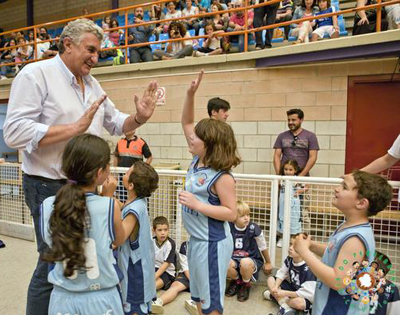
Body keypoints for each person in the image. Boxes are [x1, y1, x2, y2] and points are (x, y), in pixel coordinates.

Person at [3, 18, 158, 315]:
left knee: (86, 254)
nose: (95, 58)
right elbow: (14, 133)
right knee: (52, 260)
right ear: (68, 44)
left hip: (87, 186)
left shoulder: (92, 83)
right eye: (90, 50)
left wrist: (139, 118)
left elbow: (115, 123)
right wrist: (73, 129)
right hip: (47, 185)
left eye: (98, 52)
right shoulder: (36, 75)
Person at [40, 134, 126, 315]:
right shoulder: (109, 206)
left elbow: (51, 242)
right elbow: (119, 239)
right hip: (101, 299)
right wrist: (108, 197)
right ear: (99, 172)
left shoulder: (49, 205)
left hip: (61, 299)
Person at [179, 70, 241, 315]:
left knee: (212, 303)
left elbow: (231, 213)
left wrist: (198, 205)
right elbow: (185, 122)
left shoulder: (222, 177)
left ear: (210, 144)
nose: (191, 138)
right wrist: (190, 94)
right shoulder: (197, 159)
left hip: (212, 243)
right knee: (199, 299)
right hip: (196, 241)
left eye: (197, 137)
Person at [293, 170, 393, 315]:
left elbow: (337, 280)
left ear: (361, 203)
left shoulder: (355, 239)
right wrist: (312, 246)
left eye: (344, 187)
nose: (336, 188)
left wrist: (304, 252)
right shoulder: (348, 225)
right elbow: (336, 252)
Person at [116, 161, 161, 315]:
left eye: (127, 173)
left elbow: (120, 238)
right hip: (140, 263)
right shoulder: (137, 201)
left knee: (133, 305)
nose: (124, 174)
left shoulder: (133, 210)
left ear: (131, 186)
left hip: (134, 269)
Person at [225, 201, 273, 302]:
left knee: (245, 262)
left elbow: (262, 246)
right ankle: (237, 281)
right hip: (234, 259)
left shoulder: (253, 228)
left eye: (248, 215)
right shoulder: (228, 227)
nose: (246, 218)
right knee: (224, 262)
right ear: (234, 218)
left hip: (251, 259)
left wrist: (268, 262)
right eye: (242, 216)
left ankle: (245, 284)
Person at [263, 234, 316, 315]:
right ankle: (285, 306)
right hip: (293, 289)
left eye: (295, 246)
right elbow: (282, 273)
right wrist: (276, 287)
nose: (290, 248)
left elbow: (307, 293)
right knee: (271, 279)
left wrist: (283, 293)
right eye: (291, 244)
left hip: (305, 297)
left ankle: (278, 300)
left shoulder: (310, 267)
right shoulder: (290, 259)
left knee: (299, 303)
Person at [273, 108, 319, 177]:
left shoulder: (310, 136)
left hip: (302, 176)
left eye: (293, 120)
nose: (290, 122)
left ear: (301, 120)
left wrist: (301, 175)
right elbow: (276, 156)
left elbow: (313, 157)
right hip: (284, 176)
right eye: (289, 120)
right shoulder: (281, 136)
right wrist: (279, 175)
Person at [276, 159, 308, 248]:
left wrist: (299, 191)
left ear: (295, 170)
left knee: (293, 219)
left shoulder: (297, 179)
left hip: (294, 205)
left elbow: (307, 186)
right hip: (283, 203)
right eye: (286, 169)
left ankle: (293, 239)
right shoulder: (282, 179)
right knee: (282, 218)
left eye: (290, 170)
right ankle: (283, 238)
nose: (288, 172)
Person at [152, 241, 191, 311]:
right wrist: (193, 282)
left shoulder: (211, 244)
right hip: (187, 273)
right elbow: (186, 268)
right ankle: (158, 302)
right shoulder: (185, 245)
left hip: (204, 275)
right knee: (175, 285)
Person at [153, 216, 177, 291]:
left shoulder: (170, 244)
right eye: (159, 230)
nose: (163, 233)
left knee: (151, 287)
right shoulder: (151, 241)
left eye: (165, 230)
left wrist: (153, 278)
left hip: (167, 272)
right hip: (154, 268)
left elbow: (166, 264)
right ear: (154, 231)